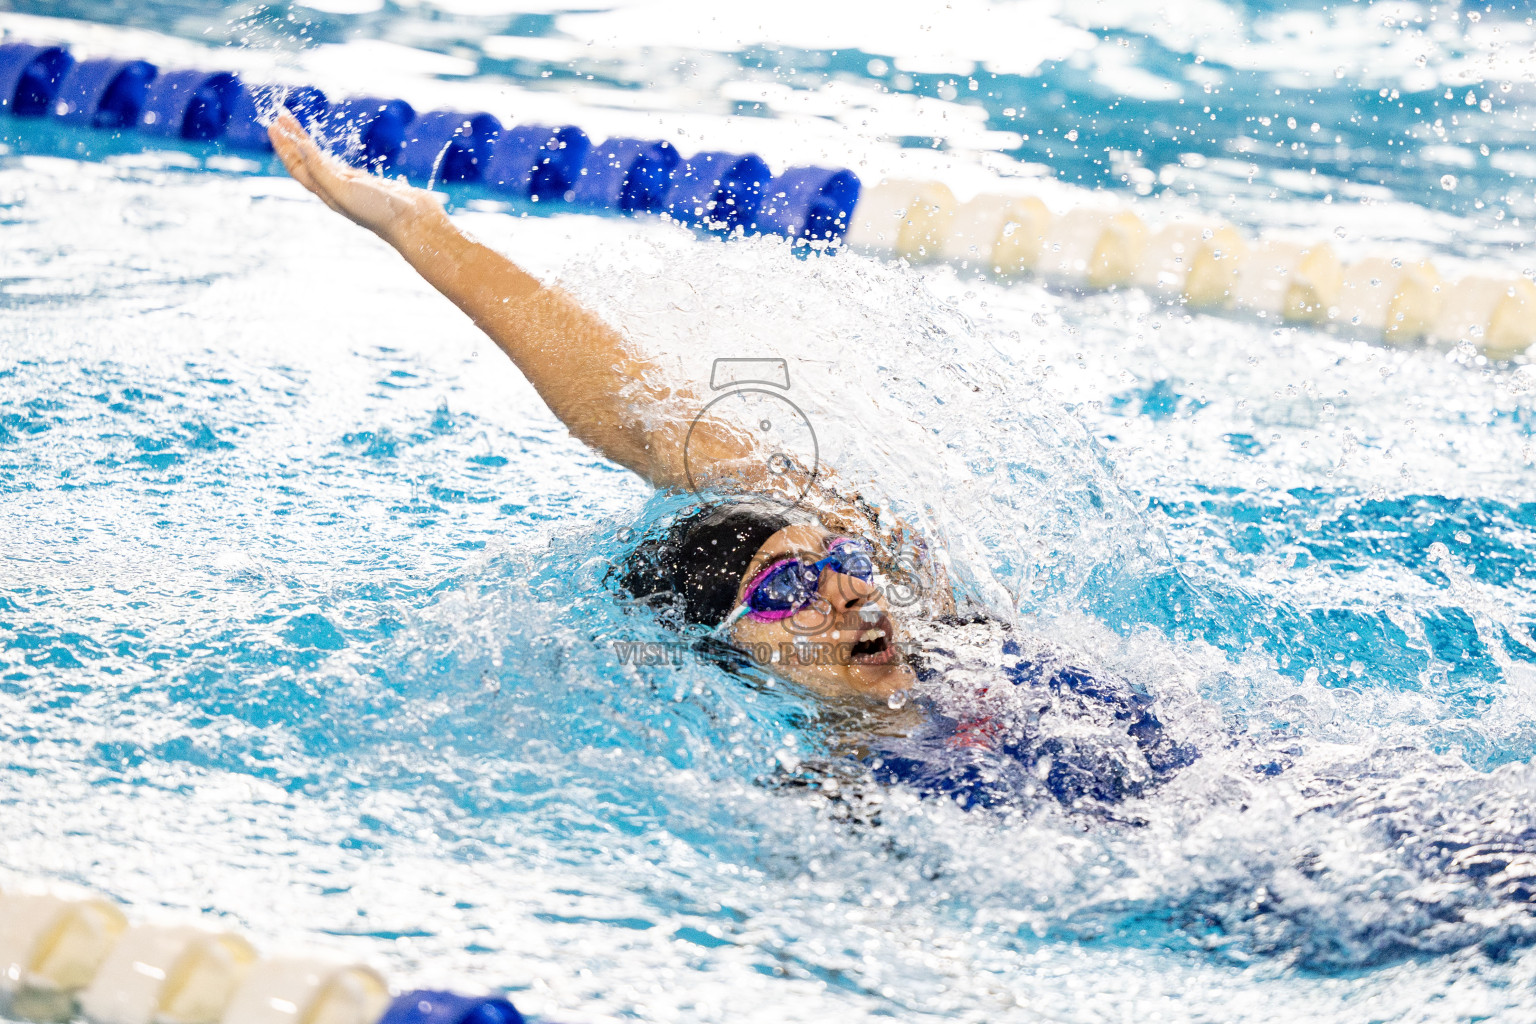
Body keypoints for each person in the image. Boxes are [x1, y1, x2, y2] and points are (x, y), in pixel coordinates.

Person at [264, 111, 1195, 815]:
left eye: (838, 564)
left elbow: (648, 422)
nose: (846, 592)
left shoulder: (944, 623)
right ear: (731, 649)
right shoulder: (846, 796)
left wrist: (418, 229)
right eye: (791, 586)